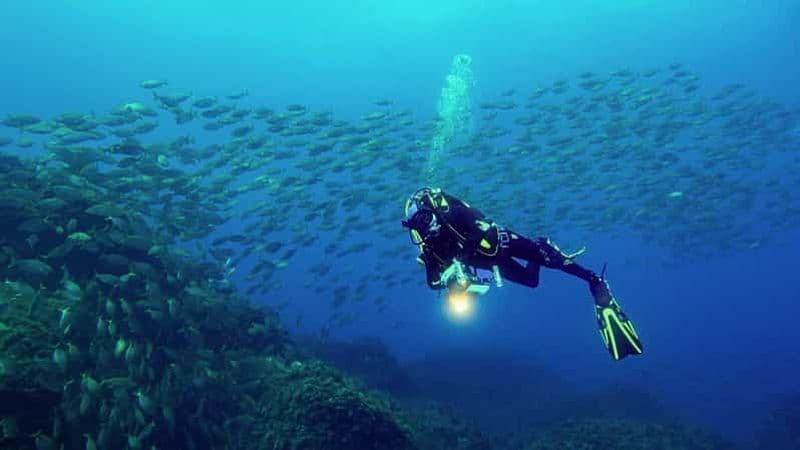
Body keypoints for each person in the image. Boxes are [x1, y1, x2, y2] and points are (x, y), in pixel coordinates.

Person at [401, 187, 643, 361]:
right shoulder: (430, 249)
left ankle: (593, 280)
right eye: (420, 224)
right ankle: (541, 244)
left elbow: (479, 226)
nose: (427, 224)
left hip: (503, 243)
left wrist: (461, 259)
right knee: (531, 281)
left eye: (426, 217)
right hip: (494, 264)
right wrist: (449, 278)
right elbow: (432, 282)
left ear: (431, 209)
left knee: (552, 261)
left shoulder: (454, 215)